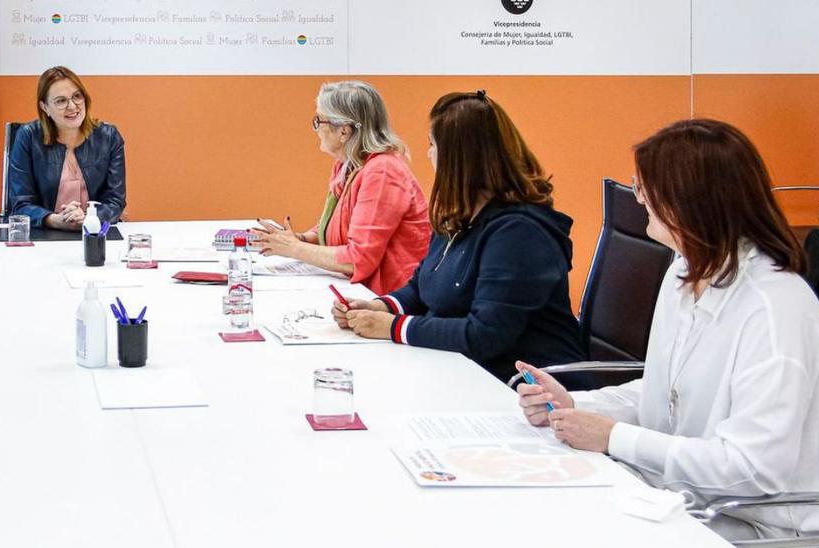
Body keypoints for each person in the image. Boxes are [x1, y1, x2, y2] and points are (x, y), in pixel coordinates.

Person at [516, 119, 819, 541]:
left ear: (689, 202)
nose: (638, 198)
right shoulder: (685, 271)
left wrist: (614, 438)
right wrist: (578, 405)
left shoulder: (773, 310)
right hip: (694, 505)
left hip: (767, 528)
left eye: (645, 187)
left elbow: (751, 469)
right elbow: (666, 394)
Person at [332, 90, 585, 381]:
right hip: (466, 372)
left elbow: (485, 335)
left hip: (525, 391)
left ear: (459, 159)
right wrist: (380, 306)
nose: (428, 153)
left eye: (432, 144)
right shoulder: (461, 214)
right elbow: (422, 286)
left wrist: (393, 326)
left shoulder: (519, 234)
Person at [250, 80, 430, 295]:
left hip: (387, 300)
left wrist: (295, 249)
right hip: (360, 293)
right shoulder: (347, 164)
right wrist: (300, 239)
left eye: (319, 121)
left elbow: (357, 260)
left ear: (344, 132)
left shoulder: (383, 172)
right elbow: (332, 227)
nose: (316, 129)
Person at [7, 66, 126, 230]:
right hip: (44, 232)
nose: (72, 106)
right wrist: (56, 220)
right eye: (61, 101)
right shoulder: (27, 137)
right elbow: (20, 204)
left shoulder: (109, 137)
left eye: (77, 96)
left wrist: (86, 218)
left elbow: (115, 201)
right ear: (45, 107)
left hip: (94, 231)